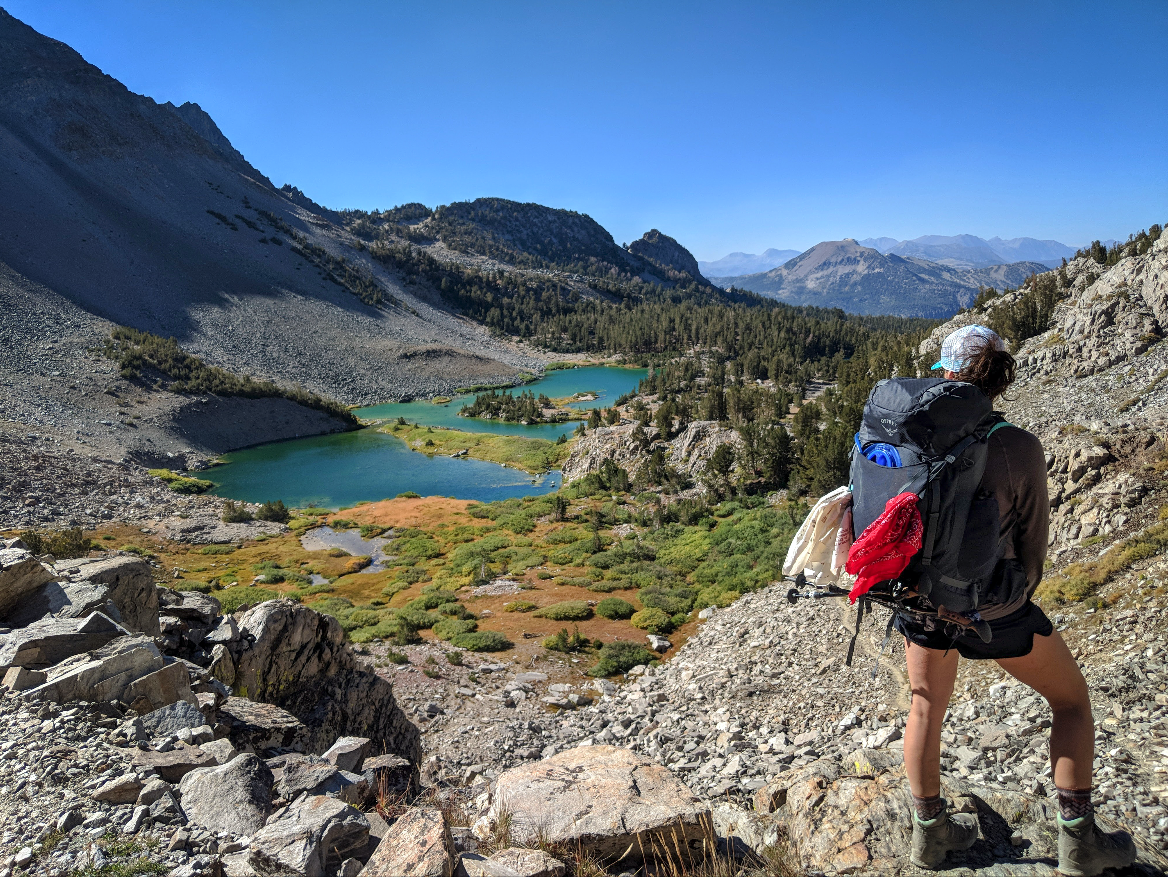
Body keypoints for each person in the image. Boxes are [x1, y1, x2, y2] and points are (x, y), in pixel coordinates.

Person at [900, 325, 1136, 875]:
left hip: (919, 602)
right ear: (1000, 377)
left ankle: (929, 835)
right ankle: (1079, 844)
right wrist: (1009, 597)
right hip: (992, 608)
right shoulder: (1017, 445)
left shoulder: (906, 432)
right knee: (1072, 700)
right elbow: (1033, 550)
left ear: (943, 373)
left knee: (925, 705)